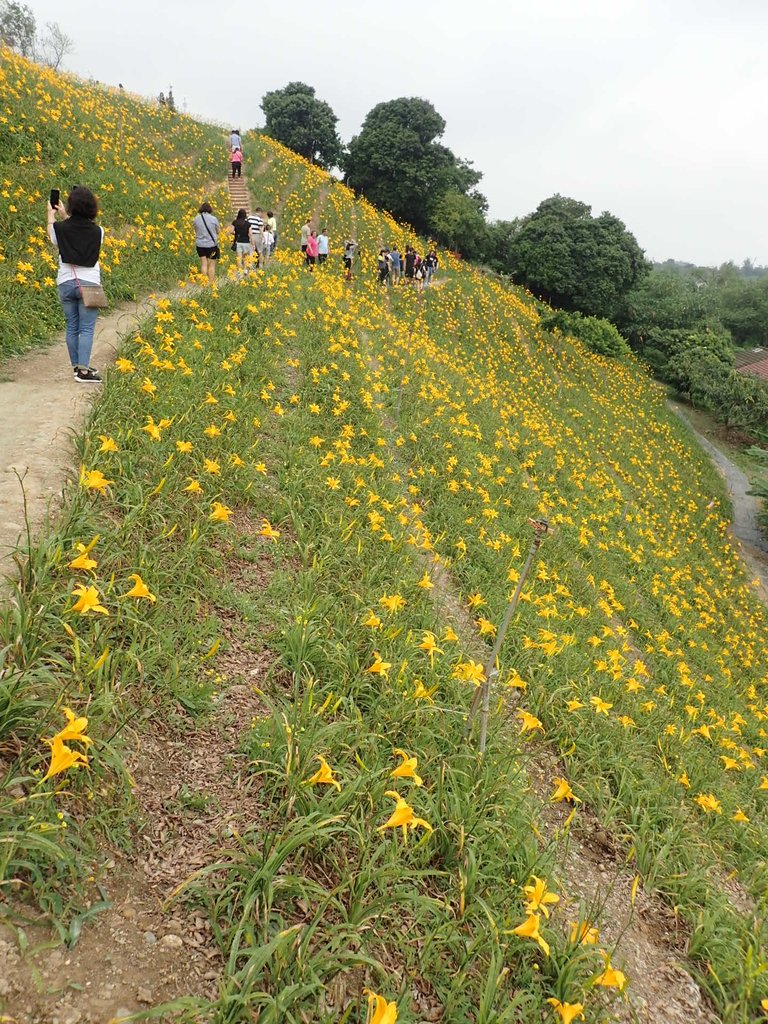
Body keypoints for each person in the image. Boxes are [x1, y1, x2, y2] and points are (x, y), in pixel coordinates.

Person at [47, 185, 104, 383]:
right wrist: (66, 216)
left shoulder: (60, 228)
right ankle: (84, 371)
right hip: (89, 284)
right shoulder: (99, 231)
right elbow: (79, 232)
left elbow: (57, 237)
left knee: (72, 325)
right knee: (86, 328)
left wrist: (51, 214)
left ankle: (77, 367)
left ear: (70, 206)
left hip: (65, 282)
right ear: (92, 207)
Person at [194, 201, 220, 283]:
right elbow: (218, 231)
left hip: (200, 245)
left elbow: (195, 230)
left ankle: (204, 282)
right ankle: (211, 283)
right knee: (212, 265)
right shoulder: (214, 219)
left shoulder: (196, 218)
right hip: (211, 245)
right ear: (210, 209)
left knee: (204, 263)